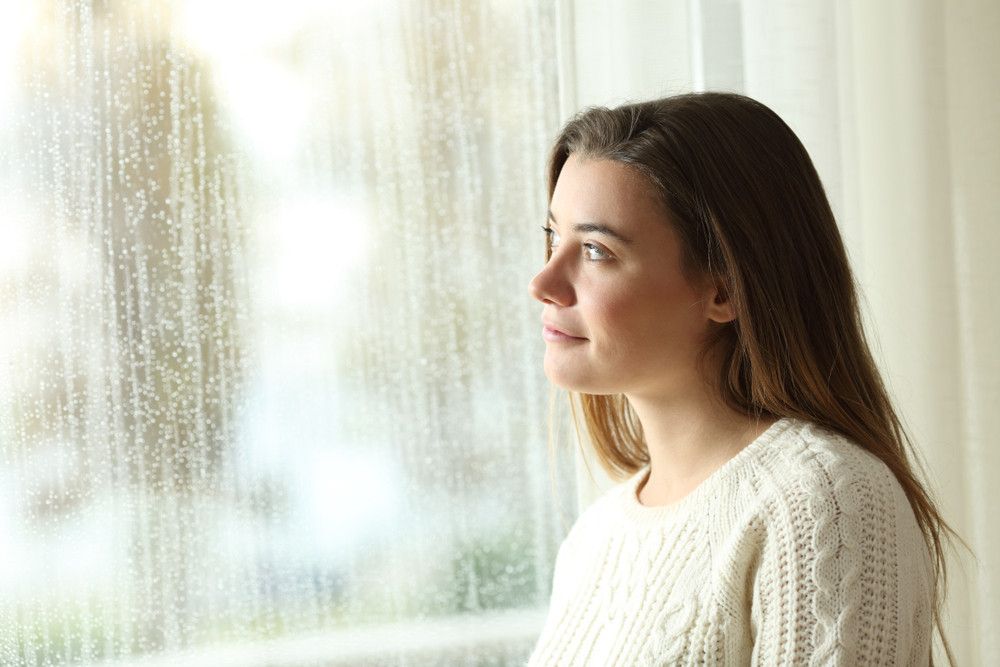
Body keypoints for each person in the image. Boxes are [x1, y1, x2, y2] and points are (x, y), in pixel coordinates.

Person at [525, 92, 967, 666]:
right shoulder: (593, 541)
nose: (544, 281)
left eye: (595, 249)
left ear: (725, 288)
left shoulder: (824, 502)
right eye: (554, 239)